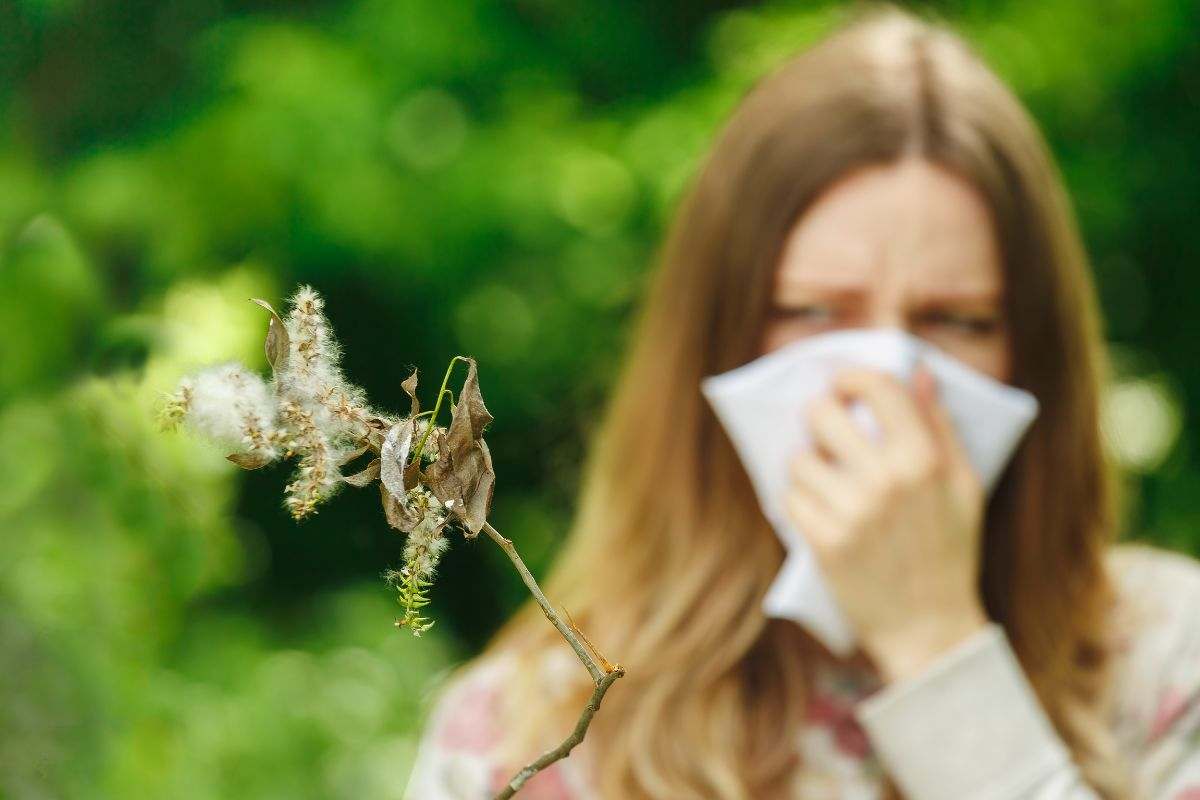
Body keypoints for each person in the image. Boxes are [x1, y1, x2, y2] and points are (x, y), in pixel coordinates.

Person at [404, 2, 1200, 798]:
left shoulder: (1169, 659)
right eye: (813, 313)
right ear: (718, 337)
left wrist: (935, 644)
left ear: (1032, 356)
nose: (882, 379)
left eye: (957, 320)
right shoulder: (534, 729)